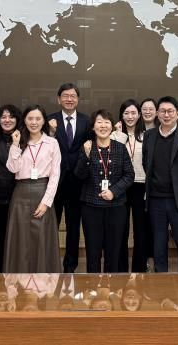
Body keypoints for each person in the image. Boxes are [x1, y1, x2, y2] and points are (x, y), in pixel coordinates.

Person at [142, 96, 178, 272]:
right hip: (156, 200)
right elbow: (147, 163)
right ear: (157, 113)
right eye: (162, 111)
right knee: (158, 246)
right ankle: (161, 281)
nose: (166, 115)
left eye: (170, 111)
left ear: (177, 113)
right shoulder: (149, 135)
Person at [75, 109, 134, 273]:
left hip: (116, 207)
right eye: (99, 122)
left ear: (112, 126)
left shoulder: (120, 148)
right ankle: (93, 286)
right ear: (93, 127)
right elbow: (79, 175)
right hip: (91, 206)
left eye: (107, 122)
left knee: (113, 252)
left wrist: (113, 191)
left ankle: (111, 286)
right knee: (93, 252)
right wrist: (86, 156)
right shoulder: (87, 147)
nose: (103, 125)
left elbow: (129, 175)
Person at [4, 105, 62, 273]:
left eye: (38, 119)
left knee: (41, 238)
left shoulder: (52, 143)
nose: (34, 122)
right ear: (25, 120)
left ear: (44, 121)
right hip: (20, 193)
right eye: (30, 118)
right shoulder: (19, 141)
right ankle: (18, 280)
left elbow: (55, 175)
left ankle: (42, 281)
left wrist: (46, 202)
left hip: (42, 192)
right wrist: (15, 145)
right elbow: (13, 168)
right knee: (20, 238)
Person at [48, 84, 90, 273]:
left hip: (78, 182)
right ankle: (50, 263)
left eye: (73, 96)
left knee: (74, 227)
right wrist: (50, 132)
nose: (69, 99)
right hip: (55, 182)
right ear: (59, 99)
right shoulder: (49, 120)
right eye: (65, 96)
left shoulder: (86, 121)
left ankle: (70, 266)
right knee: (51, 226)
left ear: (78, 99)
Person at [111, 99, 149, 273]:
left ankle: (139, 269)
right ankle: (120, 269)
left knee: (141, 230)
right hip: (121, 186)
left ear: (139, 115)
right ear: (121, 115)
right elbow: (113, 158)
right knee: (121, 229)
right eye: (126, 113)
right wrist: (119, 136)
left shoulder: (148, 135)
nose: (130, 116)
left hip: (141, 185)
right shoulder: (115, 135)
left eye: (133, 113)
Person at [0, 105, 21, 273]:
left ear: (17, 119)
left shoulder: (25, 141)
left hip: (19, 197)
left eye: (11, 116)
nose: (7, 120)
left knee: (17, 237)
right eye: (3, 117)